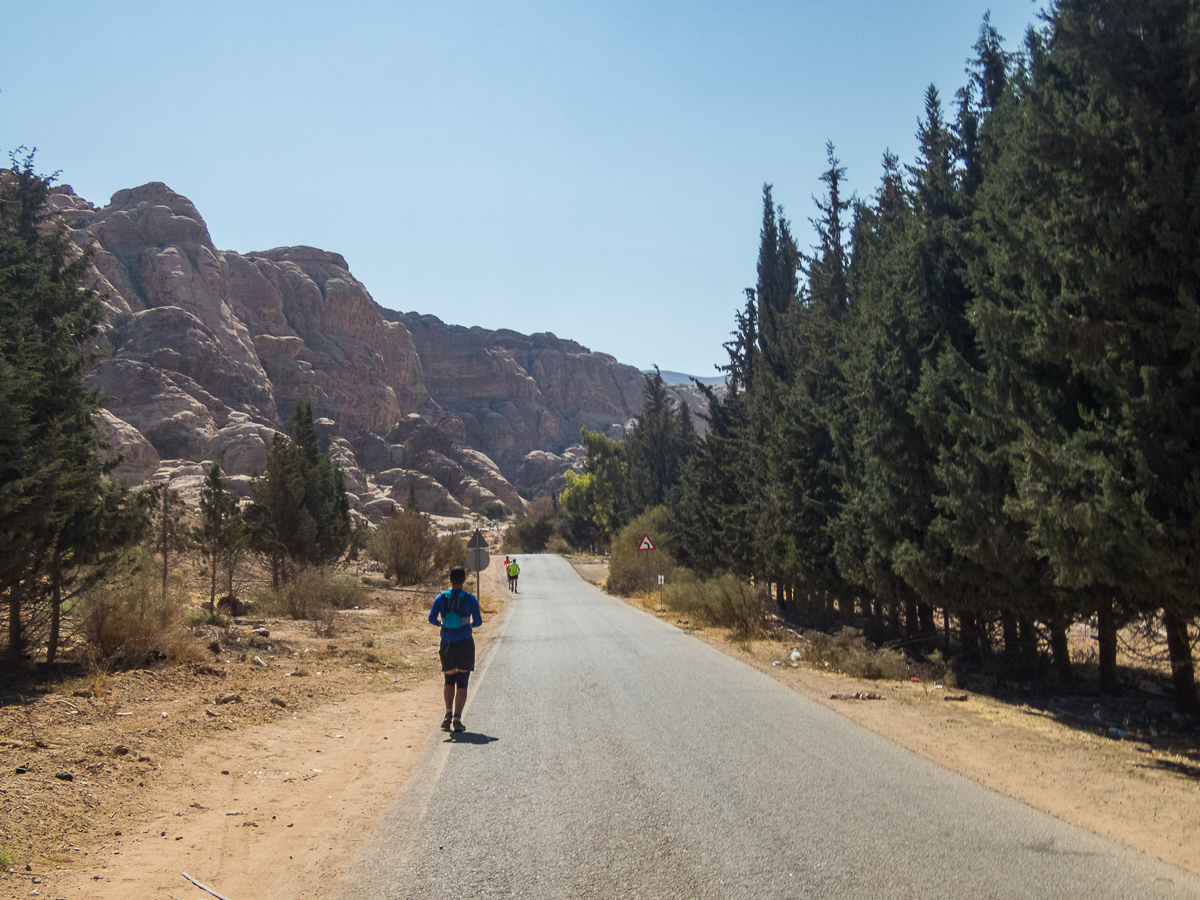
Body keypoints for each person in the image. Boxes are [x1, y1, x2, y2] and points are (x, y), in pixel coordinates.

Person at [428, 565, 482, 733]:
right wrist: (468, 625)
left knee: (449, 680)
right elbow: (478, 622)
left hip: (447, 643)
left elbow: (431, 618)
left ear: (449, 580)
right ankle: (458, 719)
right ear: (464, 580)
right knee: (463, 682)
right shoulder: (470, 599)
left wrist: (442, 625)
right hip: (465, 643)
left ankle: (447, 714)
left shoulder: (441, 598)